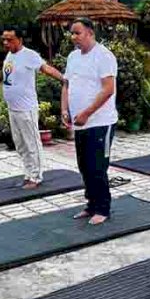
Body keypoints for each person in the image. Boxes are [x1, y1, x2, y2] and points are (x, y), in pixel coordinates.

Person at [60, 17, 118, 226]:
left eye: (78, 33)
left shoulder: (103, 56)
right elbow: (66, 85)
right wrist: (64, 109)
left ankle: (103, 208)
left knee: (97, 167)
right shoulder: (73, 57)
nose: (74, 37)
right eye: (72, 33)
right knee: (84, 166)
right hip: (80, 123)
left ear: (90, 33)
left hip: (101, 122)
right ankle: (91, 204)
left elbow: (108, 89)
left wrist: (86, 112)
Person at [0, 26, 65, 190]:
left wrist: (64, 79)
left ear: (19, 39)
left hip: (26, 108)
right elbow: (8, 74)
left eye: (9, 39)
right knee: (20, 144)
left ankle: (36, 177)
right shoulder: (9, 55)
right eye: (4, 39)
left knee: (31, 143)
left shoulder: (29, 55)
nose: (6, 43)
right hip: (12, 108)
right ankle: (28, 174)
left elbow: (46, 68)